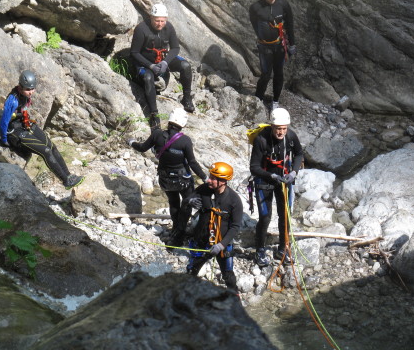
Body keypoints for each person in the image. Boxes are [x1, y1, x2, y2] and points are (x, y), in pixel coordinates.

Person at [128, 107, 206, 246]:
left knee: (173, 202)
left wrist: (131, 142)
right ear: (183, 124)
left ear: (169, 120)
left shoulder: (157, 135)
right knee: (186, 203)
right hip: (183, 179)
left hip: (165, 178)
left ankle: (175, 229)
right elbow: (192, 162)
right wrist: (204, 176)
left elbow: (141, 148)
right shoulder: (185, 141)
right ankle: (180, 232)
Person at [0, 70, 82, 189]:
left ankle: (69, 176)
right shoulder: (12, 100)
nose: (31, 92)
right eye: (28, 89)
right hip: (15, 132)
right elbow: (4, 122)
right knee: (46, 151)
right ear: (20, 87)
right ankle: (65, 181)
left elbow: (23, 111)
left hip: (24, 125)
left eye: (32, 89)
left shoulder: (25, 96)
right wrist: (5, 140)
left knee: (52, 147)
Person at [249, 107, 303, 266]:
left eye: (284, 128)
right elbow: (254, 167)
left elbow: (299, 154)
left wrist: (293, 172)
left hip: (284, 181)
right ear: (272, 126)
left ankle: (282, 249)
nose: (281, 132)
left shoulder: (291, 136)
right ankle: (260, 250)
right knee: (265, 217)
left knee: (285, 216)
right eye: (278, 129)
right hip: (264, 181)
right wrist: (271, 175)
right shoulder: (261, 140)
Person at [130, 3, 195, 128]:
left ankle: (187, 98)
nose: (159, 24)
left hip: (162, 61)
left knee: (185, 66)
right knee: (148, 78)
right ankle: (154, 114)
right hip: (145, 63)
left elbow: (175, 48)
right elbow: (134, 53)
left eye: (162, 21)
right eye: (157, 21)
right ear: (151, 18)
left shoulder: (168, 27)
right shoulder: (141, 29)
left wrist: (165, 62)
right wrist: (150, 66)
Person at [185, 162, 242, 292]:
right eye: (210, 176)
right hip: (201, 240)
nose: (208, 180)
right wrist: (190, 201)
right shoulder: (204, 189)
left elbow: (235, 226)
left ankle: (234, 297)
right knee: (192, 271)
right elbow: (186, 200)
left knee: (228, 276)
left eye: (213, 178)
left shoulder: (234, 200)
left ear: (222, 181)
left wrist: (221, 245)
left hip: (221, 242)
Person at [249, 0, 296, 111]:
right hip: (264, 46)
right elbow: (254, 24)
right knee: (265, 74)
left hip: (279, 45)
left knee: (279, 73)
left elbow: (290, 24)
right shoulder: (256, 7)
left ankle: (275, 100)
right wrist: (261, 37)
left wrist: (292, 44)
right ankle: (258, 98)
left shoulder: (283, 5)